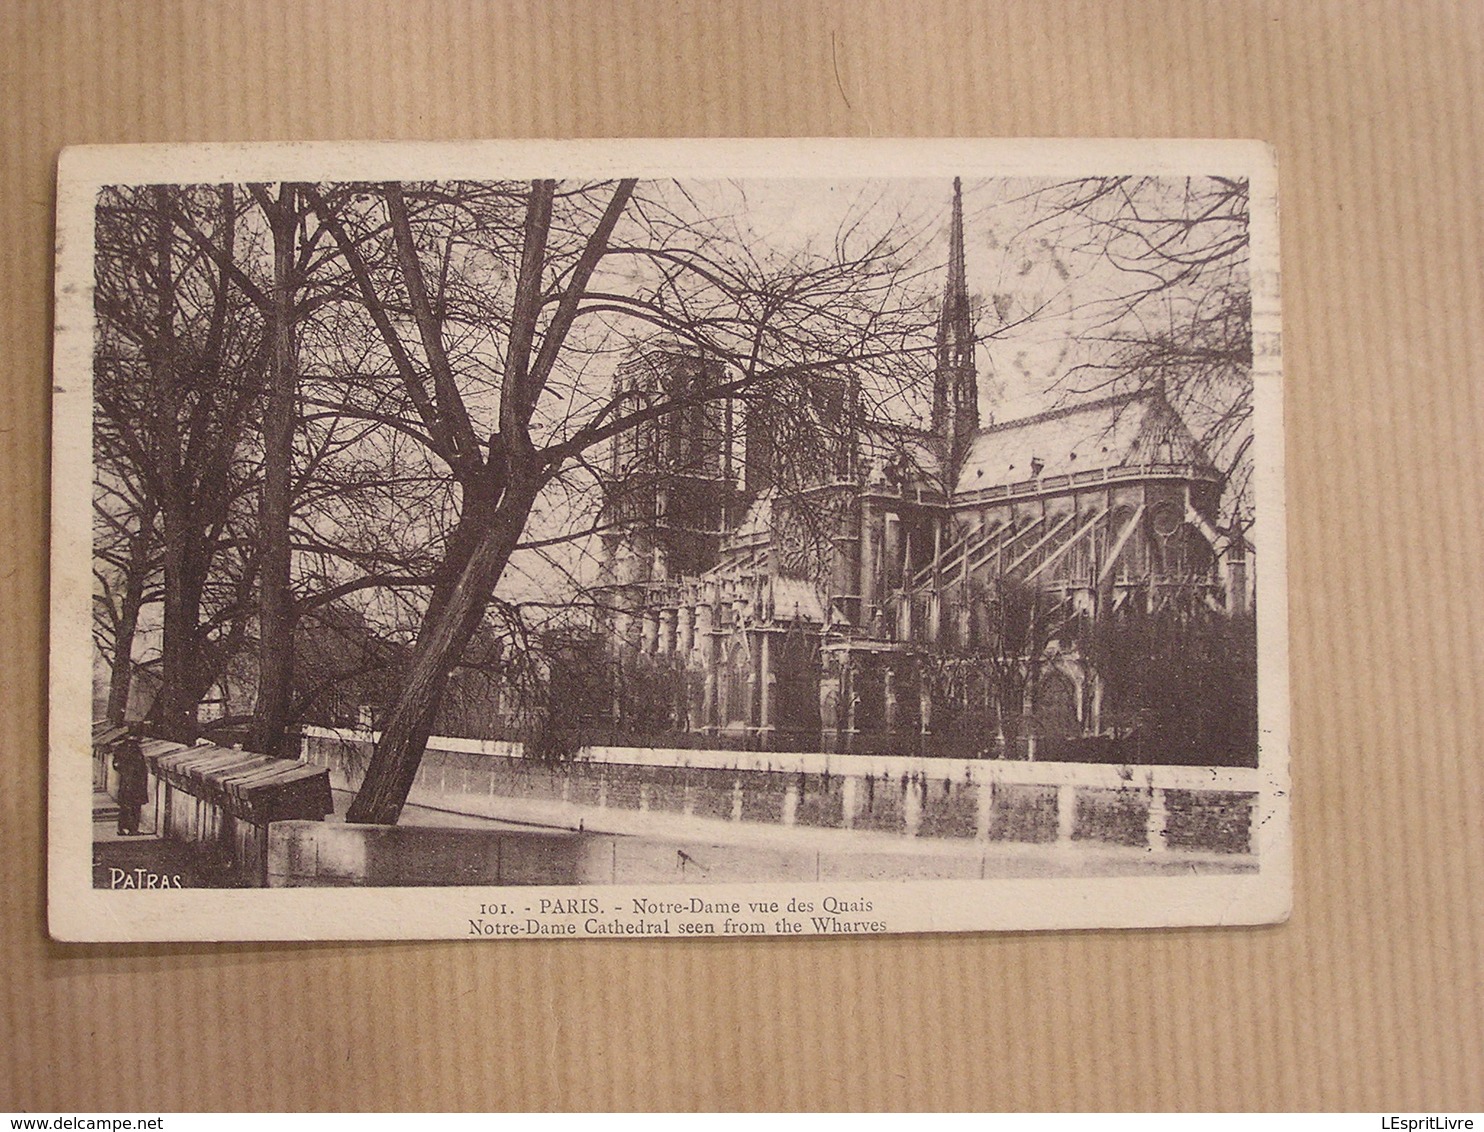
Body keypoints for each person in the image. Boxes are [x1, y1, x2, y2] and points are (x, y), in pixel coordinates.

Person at [112, 727, 149, 836]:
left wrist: (124, 773)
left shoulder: (120, 747)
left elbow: (116, 765)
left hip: (125, 782)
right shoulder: (135, 749)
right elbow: (139, 767)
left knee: (125, 806)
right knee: (135, 807)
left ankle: (122, 829)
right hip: (135, 783)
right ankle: (133, 829)